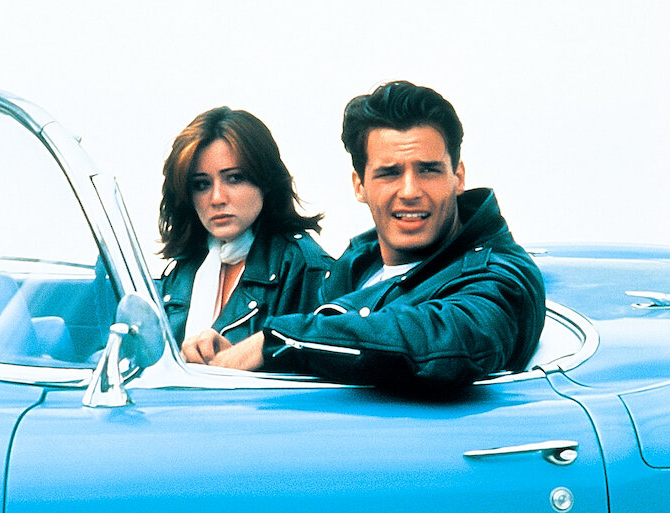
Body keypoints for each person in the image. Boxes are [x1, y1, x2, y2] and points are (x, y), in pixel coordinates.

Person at [180, 81, 546, 390]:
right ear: (360, 185)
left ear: (458, 177)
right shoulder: (355, 266)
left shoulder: (498, 273)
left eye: (428, 170)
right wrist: (237, 353)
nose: (409, 191)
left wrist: (277, 340)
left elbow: (446, 340)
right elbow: (328, 358)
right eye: (389, 173)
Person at [157, 106, 334, 352]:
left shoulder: (307, 268)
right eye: (201, 184)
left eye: (234, 178)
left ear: (266, 181)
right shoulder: (183, 269)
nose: (217, 198)